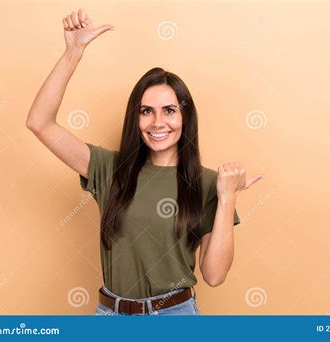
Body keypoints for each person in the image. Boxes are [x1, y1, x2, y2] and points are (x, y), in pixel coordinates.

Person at [26, 8, 264, 316]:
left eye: (169, 110)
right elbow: (39, 122)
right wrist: (73, 52)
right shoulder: (109, 169)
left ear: (184, 117)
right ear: (135, 118)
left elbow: (215, 276)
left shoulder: (207, 183)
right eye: (146, 111)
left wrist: (227, 195)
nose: (157, 122)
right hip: (111, 316)